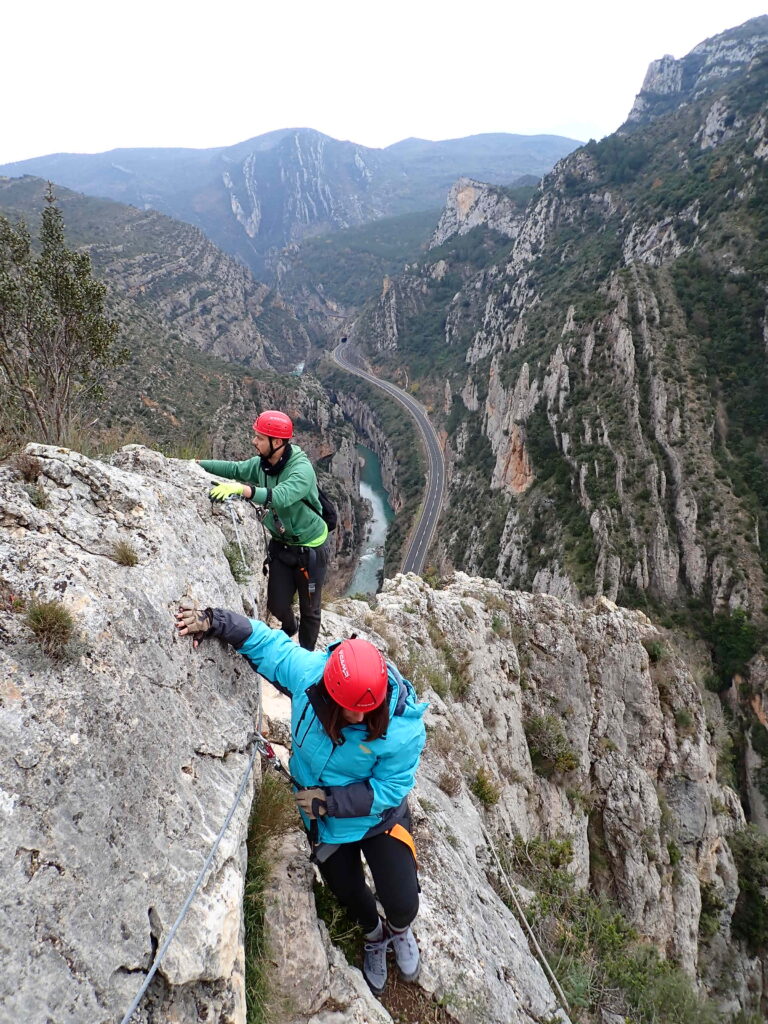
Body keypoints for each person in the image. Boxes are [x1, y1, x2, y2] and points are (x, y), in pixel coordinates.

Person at [175, 603, 428, 997]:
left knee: (403, 899)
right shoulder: (310, 677)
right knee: (348, 892)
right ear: (329, 690)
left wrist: (327, 802)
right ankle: (375, 936)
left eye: (367, 710)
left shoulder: (402, 728)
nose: (360, 719)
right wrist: (213, 622)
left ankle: (399, 929)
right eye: (351, 711)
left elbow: (390, 790)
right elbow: (265, 643)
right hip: (323, 819)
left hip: (375, 817)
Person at [199, 410, 329, 651]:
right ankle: (290, 627)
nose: (253, 441)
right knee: (277, 605)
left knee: (310, 609)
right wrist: (196, 465)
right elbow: (235, 469)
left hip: (310, 548)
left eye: (259, 437)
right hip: (282, 544)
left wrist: (243, 490)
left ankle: (305, 658)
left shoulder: (301, 469)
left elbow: (280, 497)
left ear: (277, 442)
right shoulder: (263, 464)